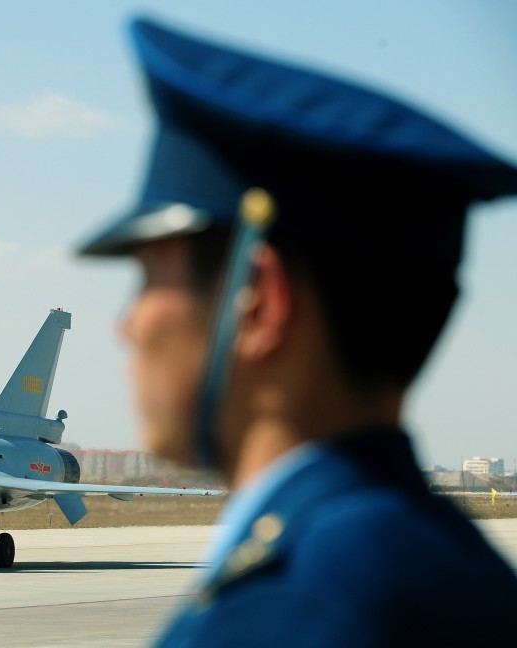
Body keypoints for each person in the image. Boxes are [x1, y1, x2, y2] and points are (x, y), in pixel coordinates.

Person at [77, 17, 517, 647]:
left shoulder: (291, 612)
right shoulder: (450, 569)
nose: (128, 326)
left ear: (258, 303)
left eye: (149, 279)